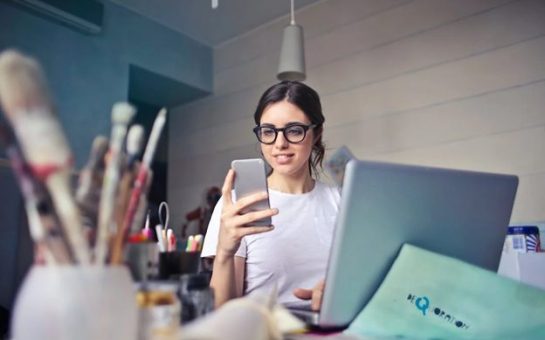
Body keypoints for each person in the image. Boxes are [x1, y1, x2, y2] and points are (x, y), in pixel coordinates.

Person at [201, 81, 340, 311]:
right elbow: (222, 313)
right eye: (268, 132)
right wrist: (225, 252)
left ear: (317, 133)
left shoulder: (341, 201)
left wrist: (337, 295)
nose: (280, 144)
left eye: (294, 130)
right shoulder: (238, 205)